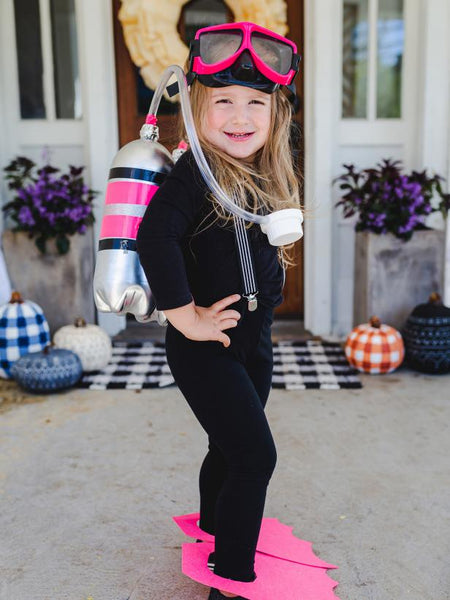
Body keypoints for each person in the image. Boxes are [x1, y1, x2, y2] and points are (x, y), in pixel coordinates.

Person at [136, 21, 302, 600]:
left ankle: (212, 528)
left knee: (226, 445)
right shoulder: (195, 175)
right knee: (256, 455)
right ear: (198, 107)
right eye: (224, 101)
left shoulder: (263, 171)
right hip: (205, 346)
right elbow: (154, 237)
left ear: (276, 113)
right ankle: (230, 580)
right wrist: (185, 316)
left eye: (256, 102)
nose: (240, 116)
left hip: (254, 340)